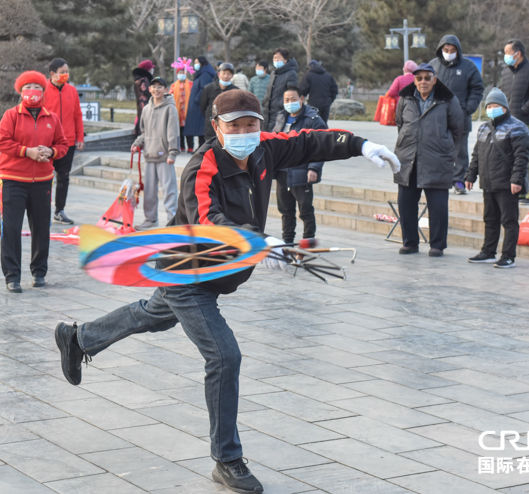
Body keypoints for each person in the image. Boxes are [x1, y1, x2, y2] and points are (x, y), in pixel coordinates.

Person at [53, 89, 399, 494]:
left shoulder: (264, 149)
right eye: (234, 126)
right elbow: (208, 221)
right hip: (188, 276)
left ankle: (77, 339)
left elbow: (308, 141)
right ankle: (227, 459)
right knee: (224, 356)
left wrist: (361, 144)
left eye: (251, 124)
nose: (244, 132)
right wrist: (257, 241)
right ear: (216, 127)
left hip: (216, 275)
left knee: (149, 315)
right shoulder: (202, 168)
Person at [0, 71, 69, 293]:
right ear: (20, 92)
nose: (32, 91)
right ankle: (12, 276)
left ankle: (39, 272)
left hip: (43, 182)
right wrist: (27, 152)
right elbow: (2, 142)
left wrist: (52, 151)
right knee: (11, 228)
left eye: (36, 87)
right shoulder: (11, 115)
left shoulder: (52, 118)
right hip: (13, 180)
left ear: (43, 91)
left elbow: (63, 145)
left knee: (40, 228)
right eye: (27, 87)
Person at [394, 63, 464, 257]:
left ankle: (437, 245)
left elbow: (458, 128)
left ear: (434, 80)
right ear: (414, 80)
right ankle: (410, 242)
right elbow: (400, 123)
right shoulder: (405, 98)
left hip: (437, 158)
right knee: (406, 203)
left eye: (427, 78)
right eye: (419, 78)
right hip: (409, 159)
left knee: (438, 205)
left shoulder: (448, 99)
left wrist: (443, 144)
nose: (423, 81)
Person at [465, 88, 529, 269]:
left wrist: (516, 180)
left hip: (507, 184)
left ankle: (508, 256)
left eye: (496, 105)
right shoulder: (484, 128)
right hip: (488, 182)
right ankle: (488, 252)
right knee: (490, 218)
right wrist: (471, 175)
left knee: (509, 221)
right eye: (489, 105)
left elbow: (522, 157)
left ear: (504, 107)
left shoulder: (517, 127)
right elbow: (476, 154)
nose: (492, 108)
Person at [429, 35, 485, 195]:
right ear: (441, 50)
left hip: (460, 116)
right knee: (436, 148)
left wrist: (468, 108)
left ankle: (459, 180)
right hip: (437, 116)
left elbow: (477, 88)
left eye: (452, 50)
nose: (449, 53)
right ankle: (439, 179)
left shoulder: (468, 66)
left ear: (458, 51)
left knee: (459, 150)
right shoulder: (433, 65)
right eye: (446, 50)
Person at [271, 86, 327, 243]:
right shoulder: (281, 117)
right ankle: (288, 242)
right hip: (282, 171)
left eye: (293, 99)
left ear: (302, 99)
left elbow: (322, 146)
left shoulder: (313, 120)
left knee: (305, 210)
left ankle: (308, 241)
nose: (290, 103)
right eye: (286, 100)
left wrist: (314, 167)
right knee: (285, 210)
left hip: (301, 171)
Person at [131, 76, 180, 230]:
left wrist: (173, 153)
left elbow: (173, 132)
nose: (156, 89)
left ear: (165, 89)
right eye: (154, 87)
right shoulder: (146, 109)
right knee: (150, 192)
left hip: (165, 157)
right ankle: (150, 220)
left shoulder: (170, 108)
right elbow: (144, 132)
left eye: (160, 87)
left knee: (169, 190)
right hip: (150, 156)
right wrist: (136, 143)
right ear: (149, 89)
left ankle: (173, 220)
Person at [500, 38, 529, 204]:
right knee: (511, 157)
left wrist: (523, 110)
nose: (505, 56)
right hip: (508, 122)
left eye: (507, 53)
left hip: (528, 122)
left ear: (517, 53)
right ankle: (517, 189)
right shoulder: (506, 72)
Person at [43, 58, 84, 226]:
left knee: (64, 177)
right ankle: (42, 210)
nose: (65, 75)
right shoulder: (43, 90)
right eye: (62, 72)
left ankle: (59, 211)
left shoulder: (72, 91)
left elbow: (77, 115)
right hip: (48, 142)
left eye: (67, 71)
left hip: (68, 142)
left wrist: (79, 137)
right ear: (52, 74)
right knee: (45, 177)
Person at [262, 48, 299, 129]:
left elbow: (292, 92)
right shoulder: (273, 72)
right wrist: (265, 101)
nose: (276, 60)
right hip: (268, 111)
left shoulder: (291, 73)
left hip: (280, 111)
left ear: (285, 59)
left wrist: (280, 103)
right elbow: (269, 90)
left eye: (279, 58)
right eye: (274, 58)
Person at [185, 56, 217, 148]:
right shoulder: (202, 72)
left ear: (202, 63)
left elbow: (204, 87)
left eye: (196, 62)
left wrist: (197, 99)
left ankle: (201, 147)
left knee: (200, 128)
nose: (195, 64)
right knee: (198, 127)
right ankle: (198, 147)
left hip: (199, 104)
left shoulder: (205, 74)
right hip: (197, 104)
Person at [200, 63, 238, 141]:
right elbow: (203, 106)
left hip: (228, 128)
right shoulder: (208, 88)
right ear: (218, 74)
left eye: (229, 74)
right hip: (210, 128)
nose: (226, 76)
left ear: (232, 76)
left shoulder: (236, 91)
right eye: (223, 73)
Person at [299, 60, 338, 125]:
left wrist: (302, 97)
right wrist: (330, 100)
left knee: (313, 123)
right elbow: (334, 89)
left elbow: (303, 89)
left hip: (313, 103)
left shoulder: (308, 75)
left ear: (309, 67)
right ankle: (325, 134)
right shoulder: (328, 75)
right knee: (323, 123)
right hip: (326, 103)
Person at [170, 57, 195, 153]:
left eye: (183, 73)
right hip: (177, 111)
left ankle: (190, 147)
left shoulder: (191, 84)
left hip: (188, 111)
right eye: (179, 73)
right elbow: (170, 96)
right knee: (179, 131)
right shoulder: (173, 86)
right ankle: (181, 146)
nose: (181, 75)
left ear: (186, 73)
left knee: (189, 130)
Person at [132, 60, 154, 136]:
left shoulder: (137, 80)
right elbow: (147, 91)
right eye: (151, 68)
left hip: (140, 104)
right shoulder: (144, 80)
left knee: (141, 121)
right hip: (146, 104)